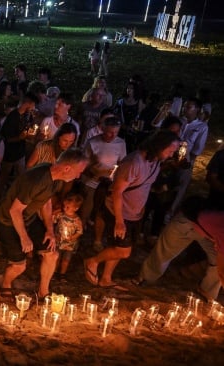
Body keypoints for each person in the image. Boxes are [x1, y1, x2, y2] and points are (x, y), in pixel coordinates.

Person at [84, 130, 180, 289]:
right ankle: (92, 261)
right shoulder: (133, 162)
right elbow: (117, 191)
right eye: (170, 151)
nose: (171, 155)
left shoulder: (155, 161)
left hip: (135, 212)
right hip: (119, 212)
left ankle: (106, 278)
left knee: (118, 247)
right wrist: (119, 221)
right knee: (124, 251)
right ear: (160, 145)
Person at [0, 148, 89, 300]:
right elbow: (14, 211)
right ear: (67, 168)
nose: (79, 176)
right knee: (19, 265)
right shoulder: (37, 180)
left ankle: (43, 291)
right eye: (78, 171)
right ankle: (6, 284)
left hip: (29, 218)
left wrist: (49, 230)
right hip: (9, 220)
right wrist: (24, 237)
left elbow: (45, 202)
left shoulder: (55, 178)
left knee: (52, 254)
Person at [134, 197, 224, 301]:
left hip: (209, 231)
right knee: (164, 252)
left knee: (216, 263)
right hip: (188, 222)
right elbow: (222, 270)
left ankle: (206, 294)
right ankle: (145, 278)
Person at [80, 116, 127, 233]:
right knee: (86, 207)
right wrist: (93, 172)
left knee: (101, 210)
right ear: (103, 129)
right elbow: (83, 163)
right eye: (110, 132)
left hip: (109, 183)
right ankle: (80, 228)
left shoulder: (121, 143)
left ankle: (98, 233)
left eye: (116, 132)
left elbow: (122, 163)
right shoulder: (92, 142)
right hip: (92, 181)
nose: (113, 135)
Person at [54, 193, 84, 282]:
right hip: (59, 242)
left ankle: (62, 274)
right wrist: (54, 213)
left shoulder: (77, 220)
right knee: (56, 258)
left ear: (76, 208)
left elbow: (80, 231)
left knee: (66, 260)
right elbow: (54, 220)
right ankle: (54, 272)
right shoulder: (61, 215)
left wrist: (73, 237)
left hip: (69, 244)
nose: (64, 208)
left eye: (68, 207)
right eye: (64, 206)